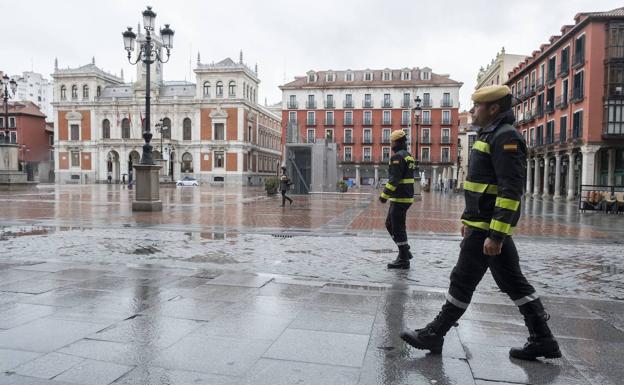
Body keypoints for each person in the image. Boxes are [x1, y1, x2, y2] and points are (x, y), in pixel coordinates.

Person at [400, 85, 561, 361]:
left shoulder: (506, 137)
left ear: (493, 109)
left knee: (462, 280)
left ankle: (435, 334)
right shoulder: (492, 134)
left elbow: (510, 191)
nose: (472, 110)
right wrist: (467, 219)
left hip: (488, 229)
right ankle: (543, 339)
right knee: (514, 284)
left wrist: (496, 234)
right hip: (482, 225)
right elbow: (479, 187)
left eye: (477, 106)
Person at [379, 130, 416, 269]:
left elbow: (394, 179)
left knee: (398, 228)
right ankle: (404, 251)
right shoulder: (408, 156)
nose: (391, 144)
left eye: (392, 142)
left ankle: (404, 259)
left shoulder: (397, 158)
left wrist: (384, 196)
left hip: (400, 198)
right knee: (390, 224)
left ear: (397, 142)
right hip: (405, 196)